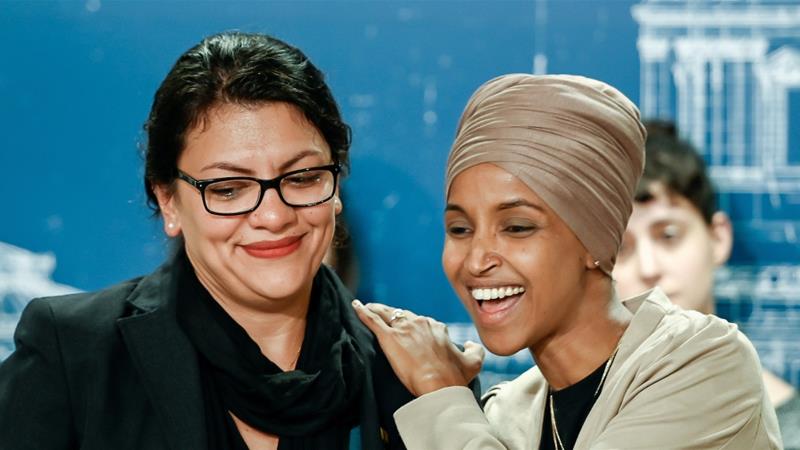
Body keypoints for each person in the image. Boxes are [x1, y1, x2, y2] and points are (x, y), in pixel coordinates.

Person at [0, 31, 415, 450]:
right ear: (168, 201)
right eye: (229, 189)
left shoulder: (411, 368)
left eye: (303, 178)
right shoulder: (75, 353)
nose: (273, 216)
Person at [353, 74, 782, 449]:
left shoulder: (704, 364)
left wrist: (438, 391)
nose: (476, 260)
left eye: (517, 227)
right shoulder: (506, 413)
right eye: (460, 230)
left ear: (594, 239)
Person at [612, 121, 799, 448]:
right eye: (620, 249)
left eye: (668, 235)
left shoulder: (792, 432)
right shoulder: (565, 424)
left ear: (718, 238)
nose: (649, 268)